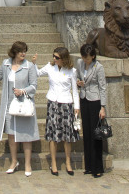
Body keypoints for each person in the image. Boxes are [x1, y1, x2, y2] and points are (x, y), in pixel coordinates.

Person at [33, 47, 80, 176]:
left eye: (57, 57)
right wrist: (34, 63)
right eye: (54, 56)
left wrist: (77, 107)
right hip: (53, 102)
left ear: (64, 58)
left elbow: (75, 91)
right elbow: (37, 73)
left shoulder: (72, 71)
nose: (54, 59)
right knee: (53, 134)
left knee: (67, 136)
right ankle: (53, 163)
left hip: (66, 104)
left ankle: (68, 162)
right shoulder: (50, 67)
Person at [0, 41, 39, 177]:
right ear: (14, 52)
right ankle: (14, 161)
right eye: (20, 51)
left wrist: (23, 91)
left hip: (23, 104)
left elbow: (34, 85)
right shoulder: (5, 64)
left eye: (25, 51)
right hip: (9, 104)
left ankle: (27, 163)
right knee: (11, 134)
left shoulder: (29, 66)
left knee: (26, 135)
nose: (23, 54)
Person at [76, 43, 107, 178]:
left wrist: (103, 107)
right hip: (84, 98)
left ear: (93, 56)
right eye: (83, 57)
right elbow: (77, 77)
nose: (85, 60)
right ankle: (89, 166)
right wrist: (79, 82)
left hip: (95, 101)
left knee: (96, 134)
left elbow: (103, 87)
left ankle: (97, 167)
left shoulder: (98, 67)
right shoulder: (79, 63)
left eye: (87, 58)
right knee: (87, 133)